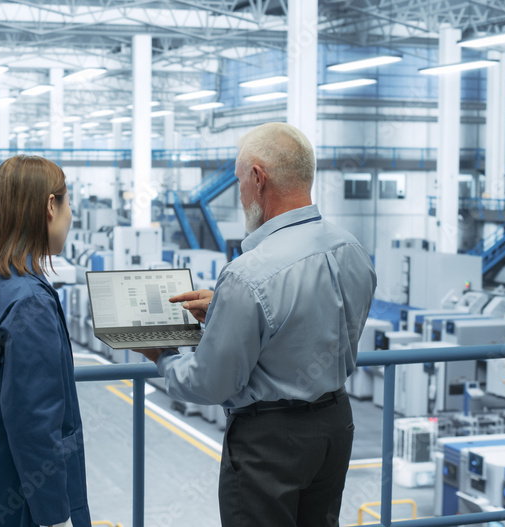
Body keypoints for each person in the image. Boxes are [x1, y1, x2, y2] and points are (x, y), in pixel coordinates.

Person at [135, 122, 376, 527]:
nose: (241, 192)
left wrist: (163, 355)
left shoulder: (249, 275)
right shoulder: (353, 250)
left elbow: (212, 383)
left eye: (240, 182)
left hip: (270, 444)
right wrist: (227, 311)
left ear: (258, 178)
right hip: (335, 425)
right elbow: (307, 325)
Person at [0, 155, 89, 527]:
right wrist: (56, 517)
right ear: (49, 206)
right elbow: (35, 425)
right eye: (68, 202)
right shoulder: (30, 301)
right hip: (22, 508)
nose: (71, 215)